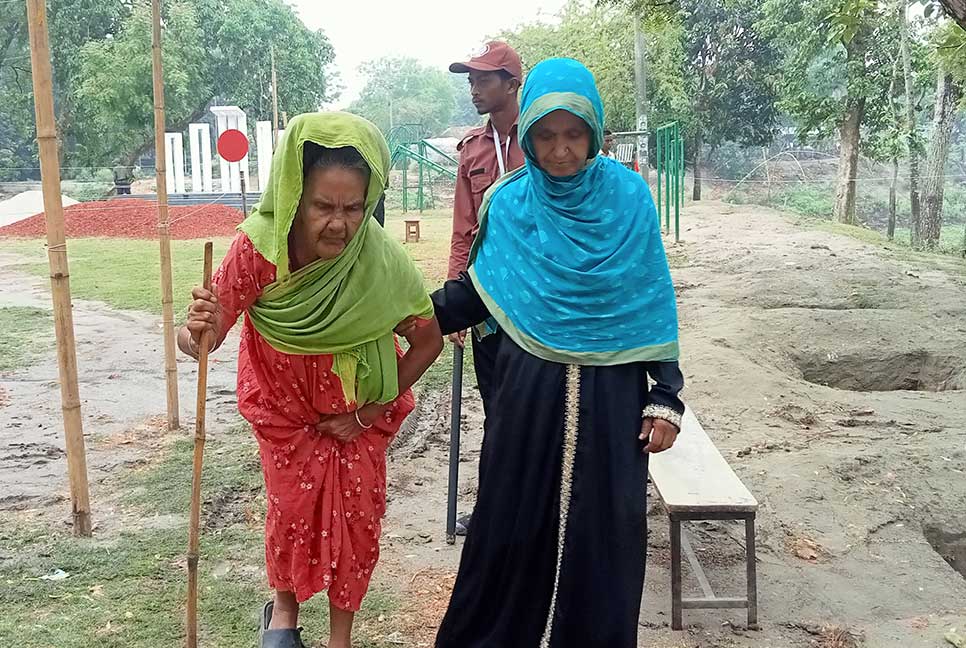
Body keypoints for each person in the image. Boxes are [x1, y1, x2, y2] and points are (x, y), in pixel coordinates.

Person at [427, 58, 685, 647]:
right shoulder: (510, 202)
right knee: (508, 526)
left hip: (614, 395)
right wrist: (415, 314)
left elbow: (648, 293)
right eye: (546, 135)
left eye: (574, 134)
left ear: (594, 133)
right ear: (528, 134)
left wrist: (665, 395)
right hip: (527, 395)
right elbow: (482, 290)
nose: (561, 150)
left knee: (605, 534)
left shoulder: (628, 198)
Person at [179, 112, 443, 648]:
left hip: (354, 425)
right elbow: (204, 340)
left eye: (353, 208)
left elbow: (428, 340)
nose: (339, 224)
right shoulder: (259, 251)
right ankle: (283, 616)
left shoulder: (379, 260)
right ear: (294, 196)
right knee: (292, 514)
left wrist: (367, 414)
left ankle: (340, 638)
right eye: (323, 206)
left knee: (358, 522)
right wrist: (193, 331)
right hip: (286, 419)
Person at [447, 40, 524, 412]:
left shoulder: (542, 140)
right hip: (486, 294)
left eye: (483, 80)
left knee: (537, 402)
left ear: (511, 84)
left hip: (536, 295)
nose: (474, 89)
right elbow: (463, 231)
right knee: (494, 401)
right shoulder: (472, 150)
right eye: (471, 82)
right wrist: (456, 301)